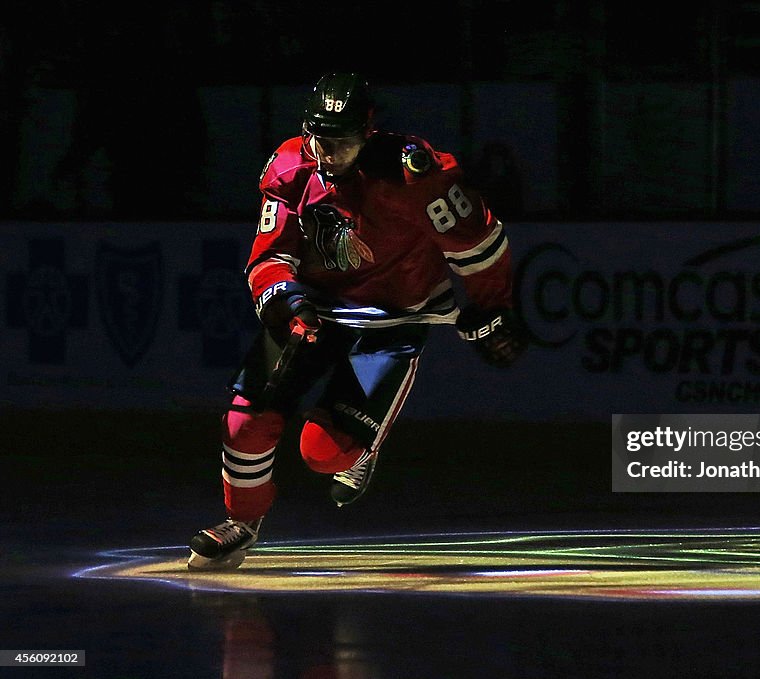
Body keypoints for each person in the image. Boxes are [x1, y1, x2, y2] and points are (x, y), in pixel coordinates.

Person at [187, 72, 527, 570]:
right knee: (244, 420)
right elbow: (269, 256)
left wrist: (494, 308)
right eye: (321, 139)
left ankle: (361, 450)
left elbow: (477, 242)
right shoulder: (289, 167)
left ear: (367, 134)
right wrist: (284, 300)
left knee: (323, 454)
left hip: (393, 322)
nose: (329, 153)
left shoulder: (416, 175)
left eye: (342, 142)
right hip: (314, 311)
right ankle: (241, 523)